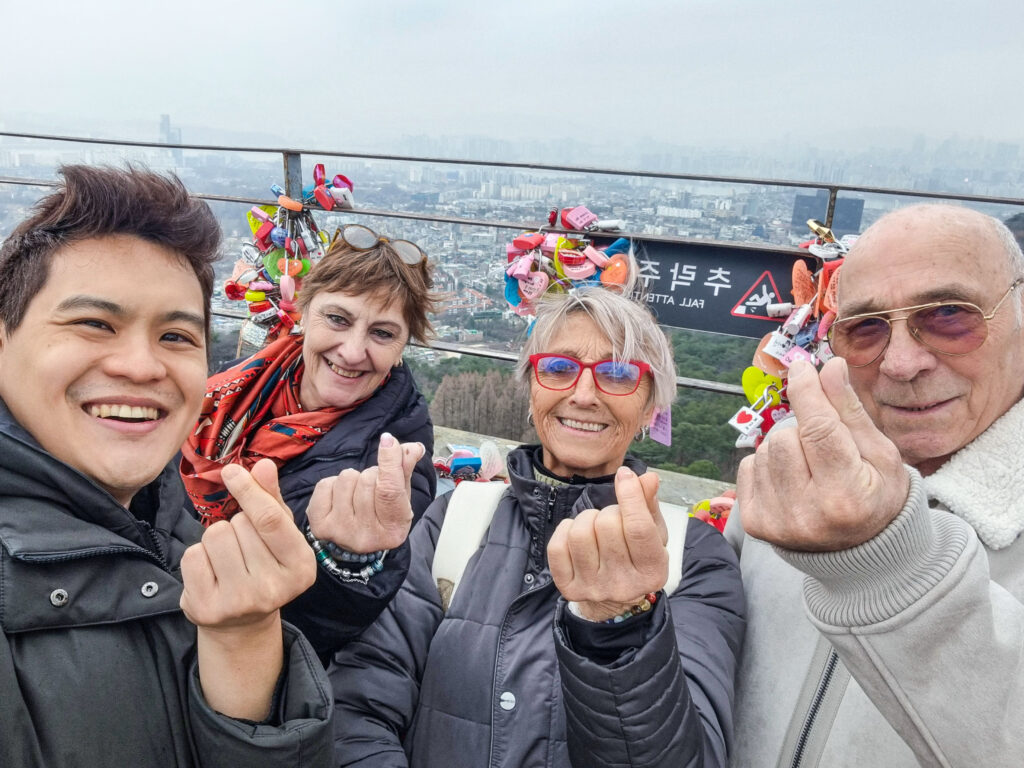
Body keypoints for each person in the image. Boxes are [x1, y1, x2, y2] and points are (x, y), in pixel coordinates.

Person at [0, 165, 334, 767]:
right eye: (94, 323)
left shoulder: (179, 525)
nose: (141, 366)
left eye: (177, 336)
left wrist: (247, 639)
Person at [330, 288, 746, 767]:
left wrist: (621, 625)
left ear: (651, 407)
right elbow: (362, 702)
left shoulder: (691, 559)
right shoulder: (455, 520)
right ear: (532, 387)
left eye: (617, 374)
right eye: (559, 368)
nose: (584, 394)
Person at [727, 203, 1024, 767]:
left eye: (949, 316)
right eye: (865, 329)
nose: (902, 362)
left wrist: (888, 566)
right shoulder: (788, 467)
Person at [180, 225, 439, 661]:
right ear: (303, 310)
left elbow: (335, 625)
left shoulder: (397, 456)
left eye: (382, 333)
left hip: (248, 656)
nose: (353, 352)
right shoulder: (239, 385)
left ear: (402, 346)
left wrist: (348, 562)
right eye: (337, 319)